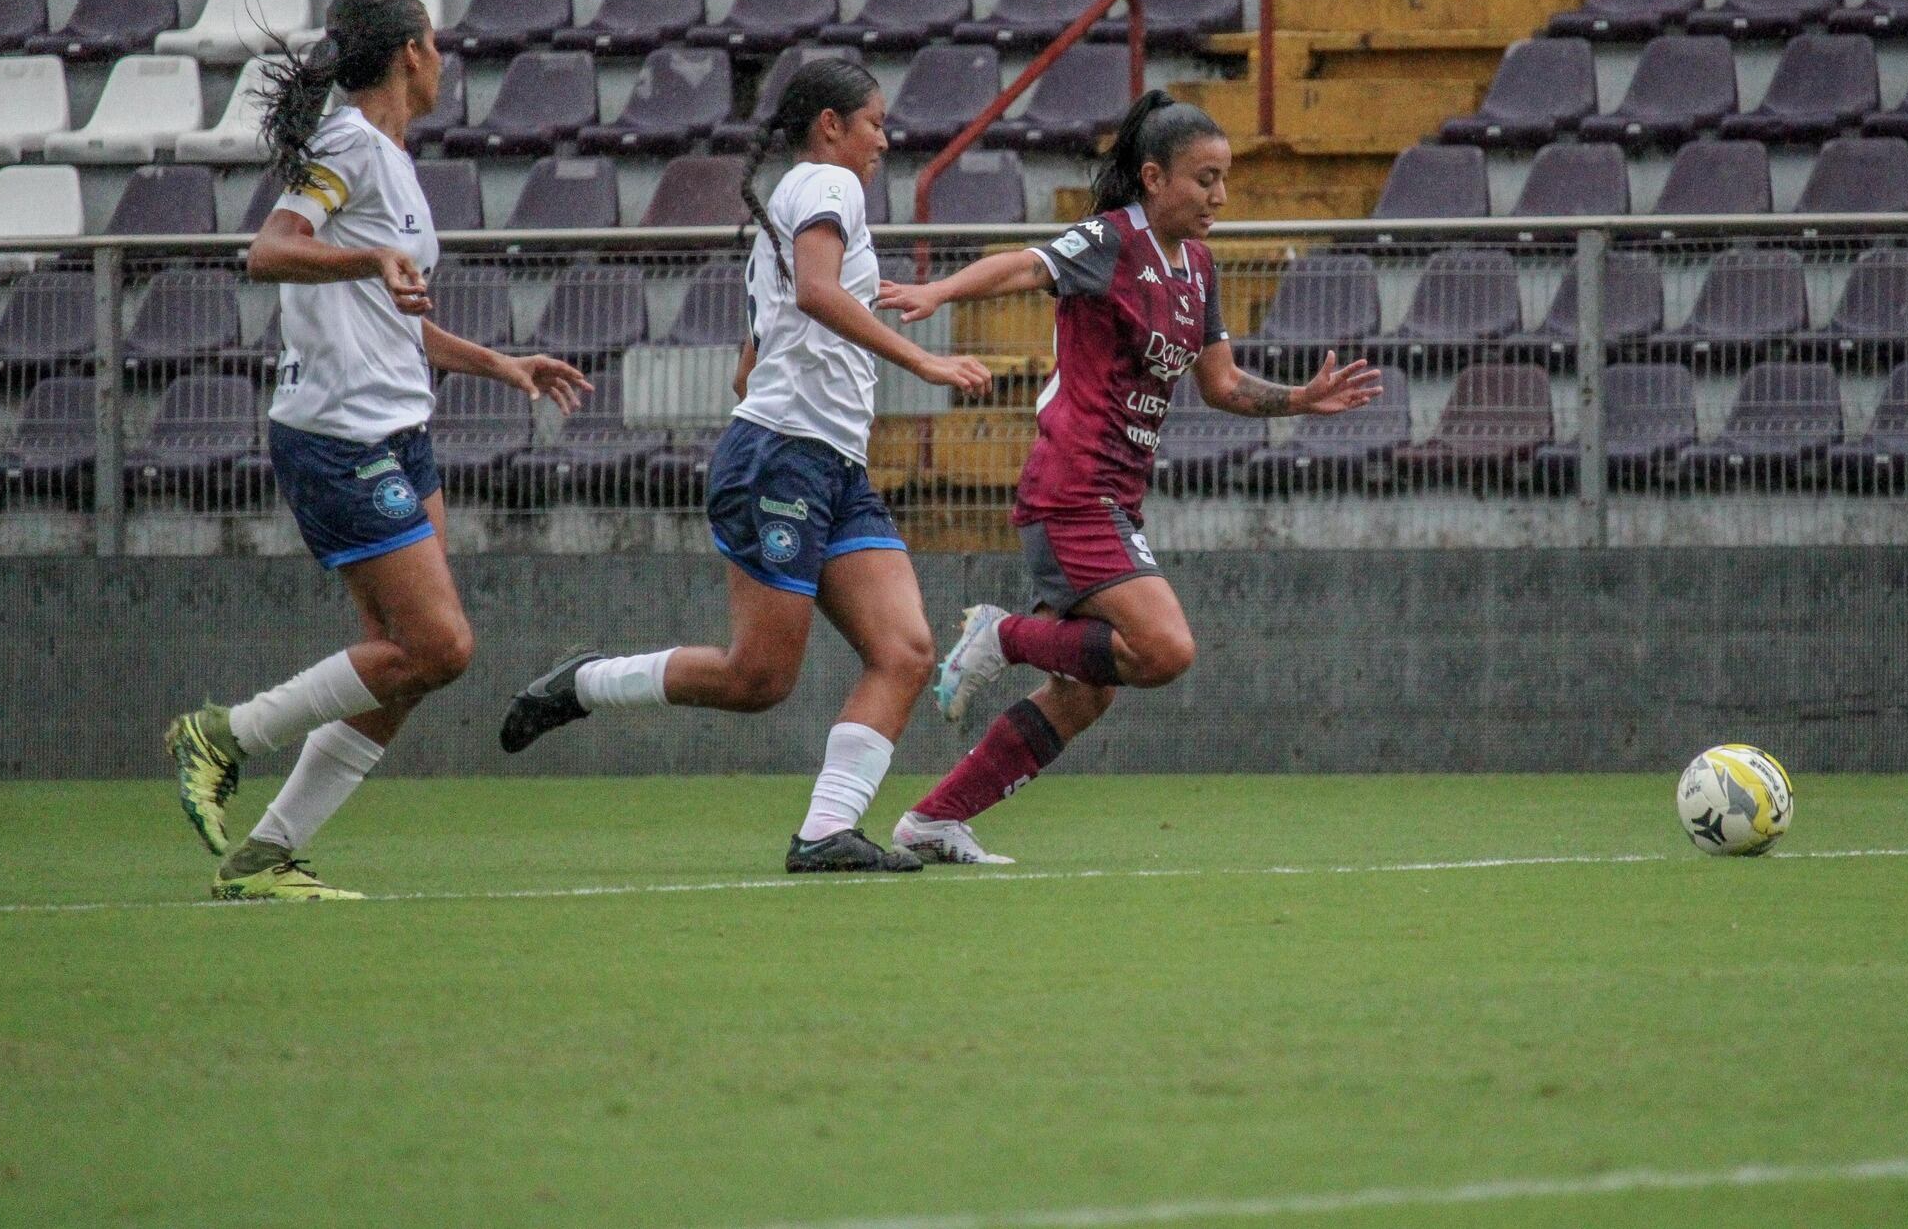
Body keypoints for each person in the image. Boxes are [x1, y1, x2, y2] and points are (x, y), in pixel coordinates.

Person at [499, 59, 994, 873]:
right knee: (757, 676)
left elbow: (758, 351)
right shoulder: (830, 187)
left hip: (827, 461)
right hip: (785, 457)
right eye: (873, 120)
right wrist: (925, 362)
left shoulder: (792, 203)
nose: (883, 138)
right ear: (830, 125)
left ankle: (826, 831)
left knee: (904, 650)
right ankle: (586, 682)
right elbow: (815, 293)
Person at [164, 0, 591, 901]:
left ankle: (268, 854)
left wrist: (502, 363)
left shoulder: (392, 159)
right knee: (440, 646)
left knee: (394, 671)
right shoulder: (349, 142)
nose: (443, 63)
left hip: (399, 428)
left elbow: (394, 316)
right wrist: (368, 255)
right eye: (436, 45)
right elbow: (270, 249)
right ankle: (223, 733)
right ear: (411, 52)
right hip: (337, 433)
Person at [873, 91, 1381, 865]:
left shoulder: (1198, 267)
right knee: (1165, 648)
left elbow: (1221, 384)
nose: (1220, 196)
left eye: (1224, 179)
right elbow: (1026, 264)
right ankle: (1001, 634)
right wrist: (939, 291)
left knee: (1085, 692)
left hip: (1114, 498)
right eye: (1204, 179)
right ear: (1153, 177)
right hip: (1074, 488)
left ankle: (933, 820)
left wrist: (1299, 399)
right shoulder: (1113, 240)